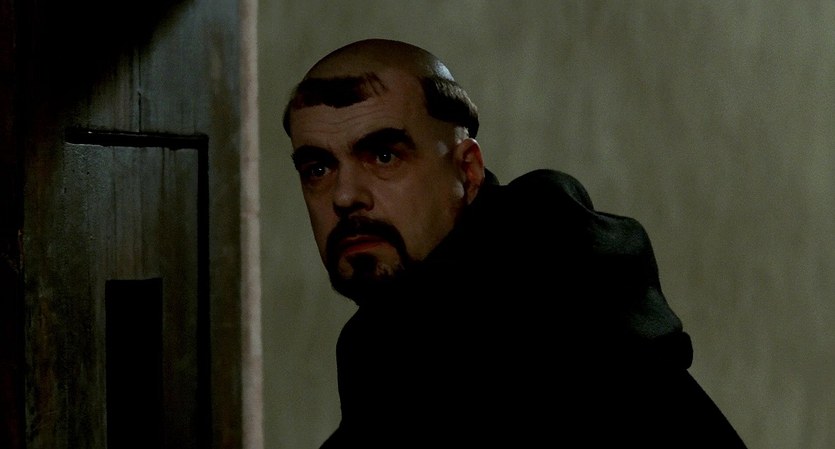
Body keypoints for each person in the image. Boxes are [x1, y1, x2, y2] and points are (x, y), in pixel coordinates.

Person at [281, 38, 747, 448]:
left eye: (384, 156)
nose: (344, 196)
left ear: (467, 171)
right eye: (318, 169)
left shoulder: (526, 335)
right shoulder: (404, 344)